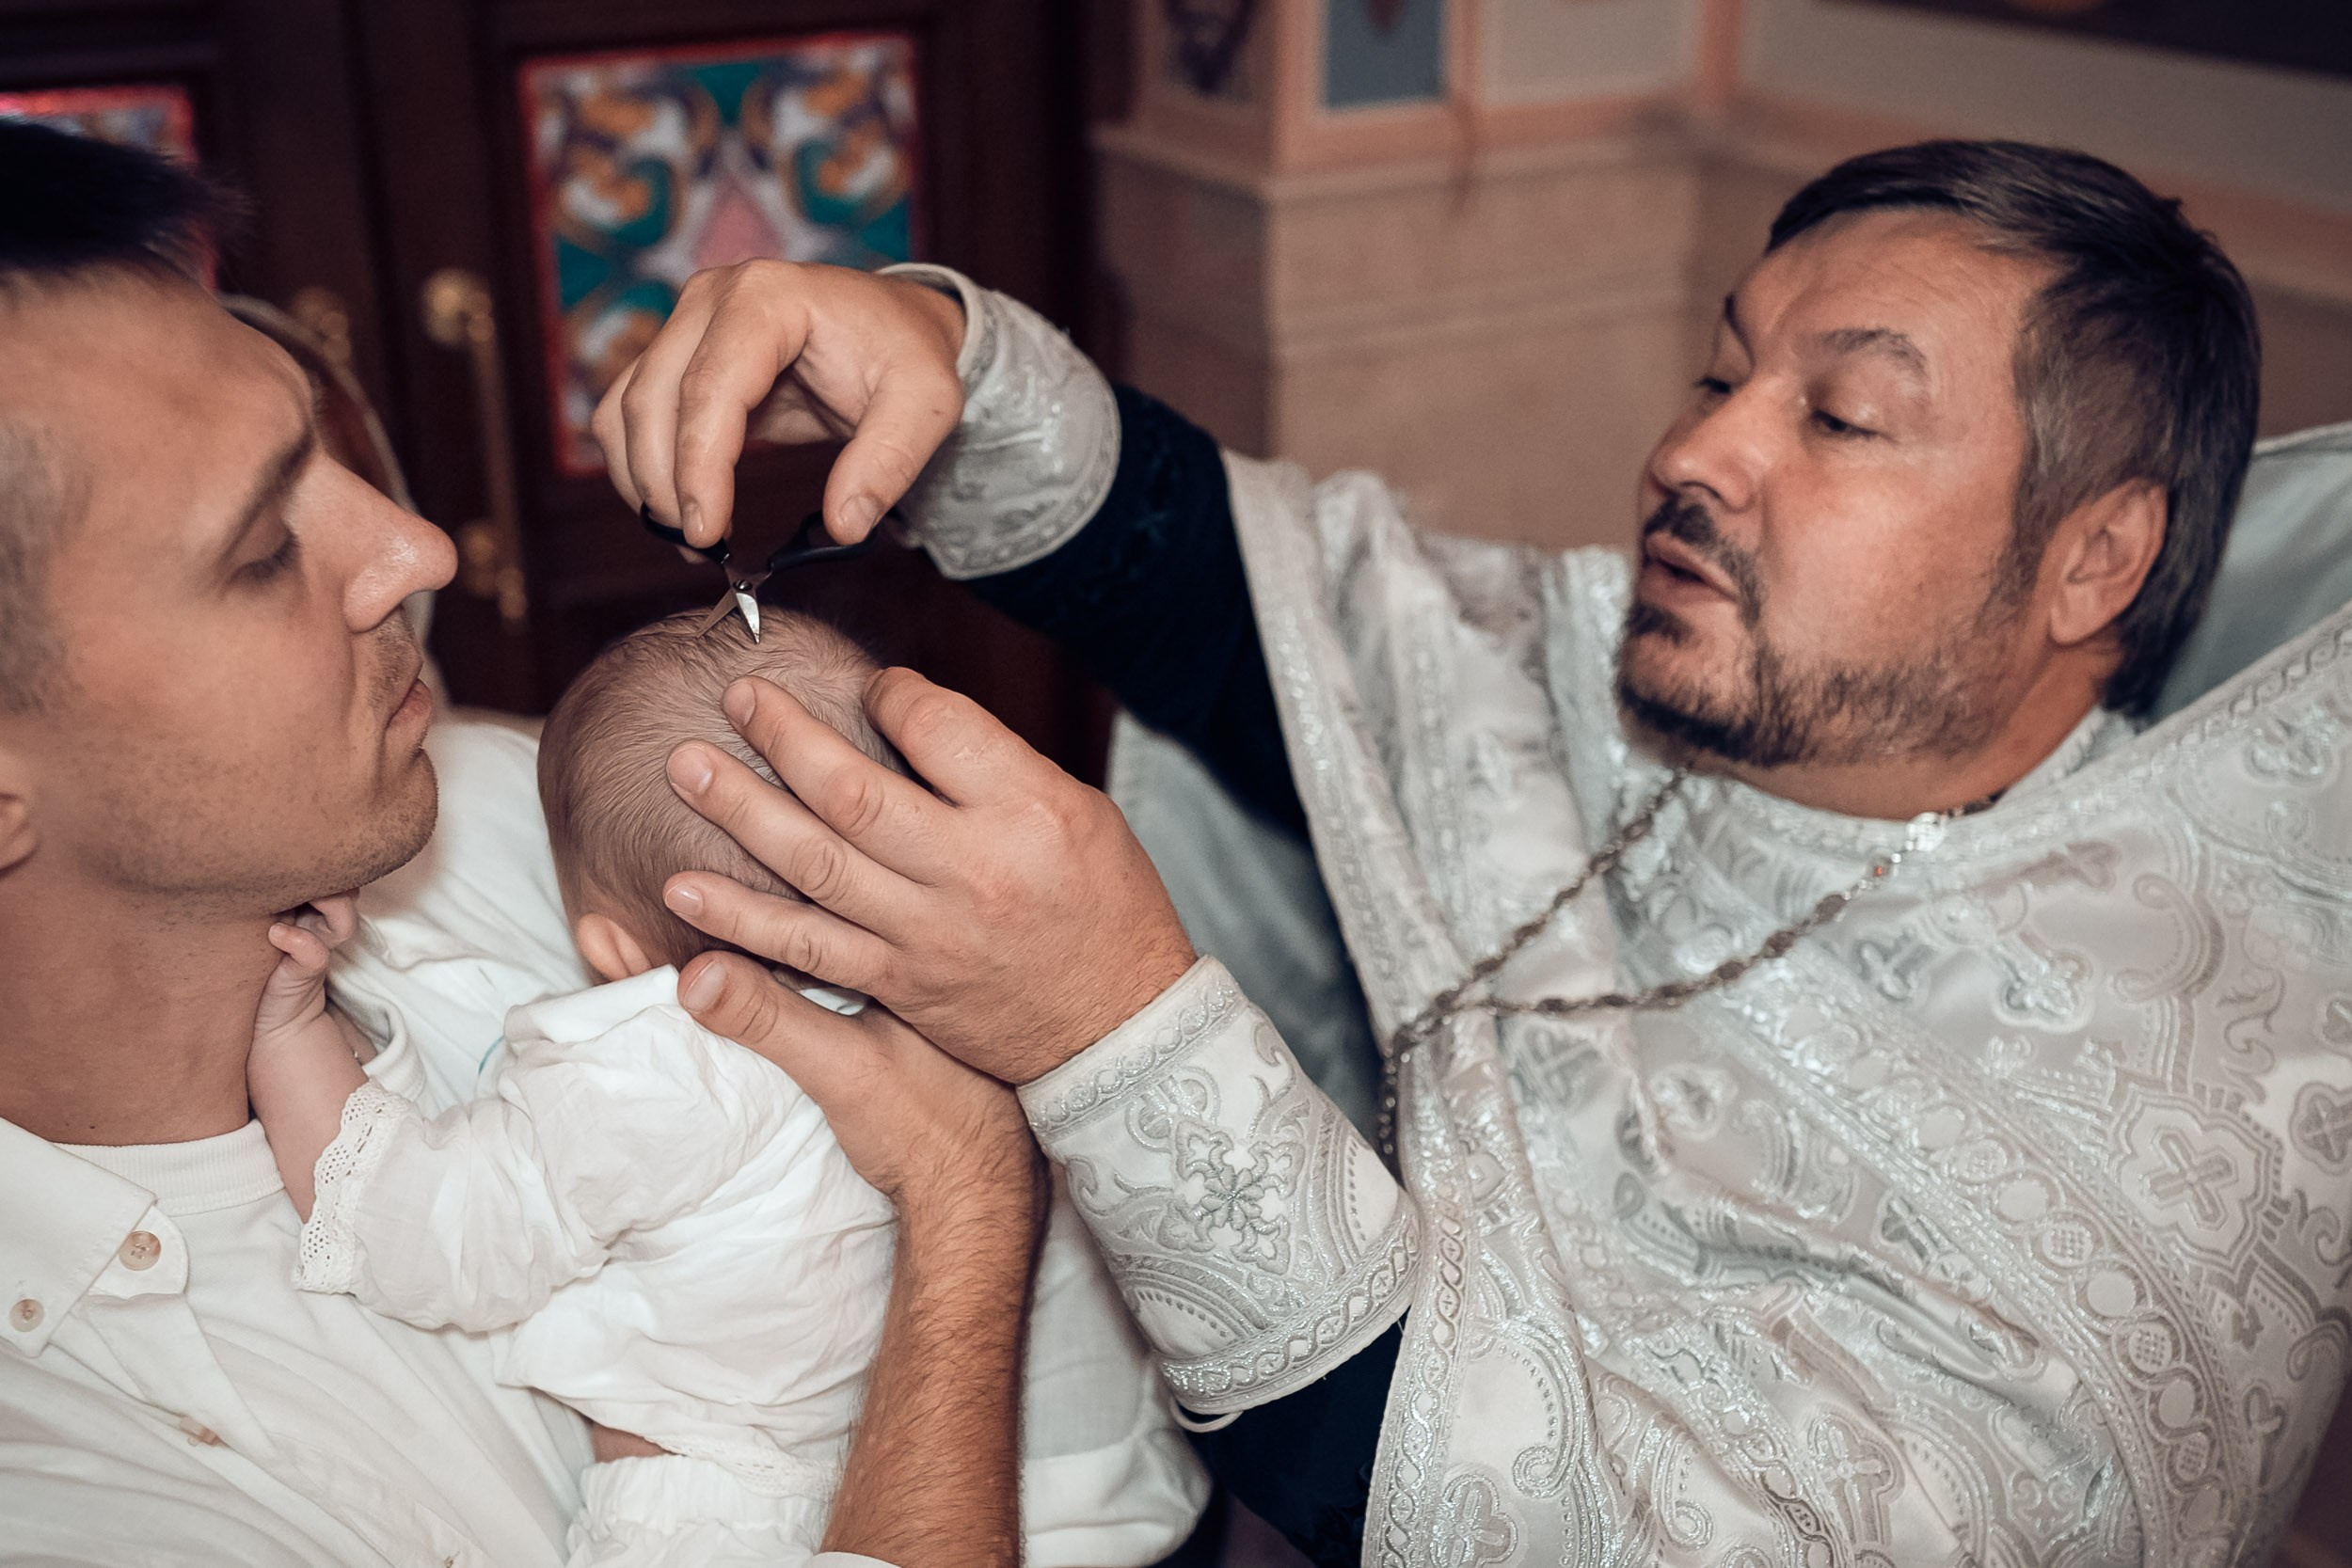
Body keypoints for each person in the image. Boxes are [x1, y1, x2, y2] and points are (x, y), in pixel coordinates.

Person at [599, 140, 2352, 1565]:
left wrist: (1113, 1035)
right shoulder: (1710, 697)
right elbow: (1262, 620)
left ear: (2096, 561)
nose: (1693, 452)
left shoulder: (2165, 1177)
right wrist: (931, 349)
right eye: (1723, 370)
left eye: (1839, 418)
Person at [0, 120, 1043, 1567]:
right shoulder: (79, 1493)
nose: (418, 548)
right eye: (257, 547)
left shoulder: (495, 799)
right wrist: (966, 1202)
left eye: (325, 454)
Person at [243, 608, 1206, 1567]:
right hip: (1007, 1465)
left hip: (713, 1509)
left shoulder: (648, 1067)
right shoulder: (964, 998)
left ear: (612, 952)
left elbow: (426, 1232)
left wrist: (289, 1029)